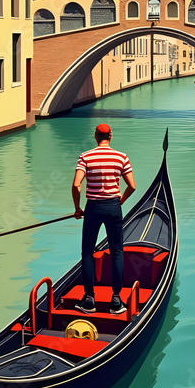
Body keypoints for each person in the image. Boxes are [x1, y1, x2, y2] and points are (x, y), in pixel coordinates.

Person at [72, 123, 136, 315]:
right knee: (117, 251)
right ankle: (116, 300)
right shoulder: (121, 157)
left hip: (93, 208)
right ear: (110, 136)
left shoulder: (86, 156)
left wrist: (77, 208)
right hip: (113, 207)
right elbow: (132, 186)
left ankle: (89, 300)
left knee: (87, 252)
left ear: (95, 136)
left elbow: (76, 185)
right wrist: (120, 201)